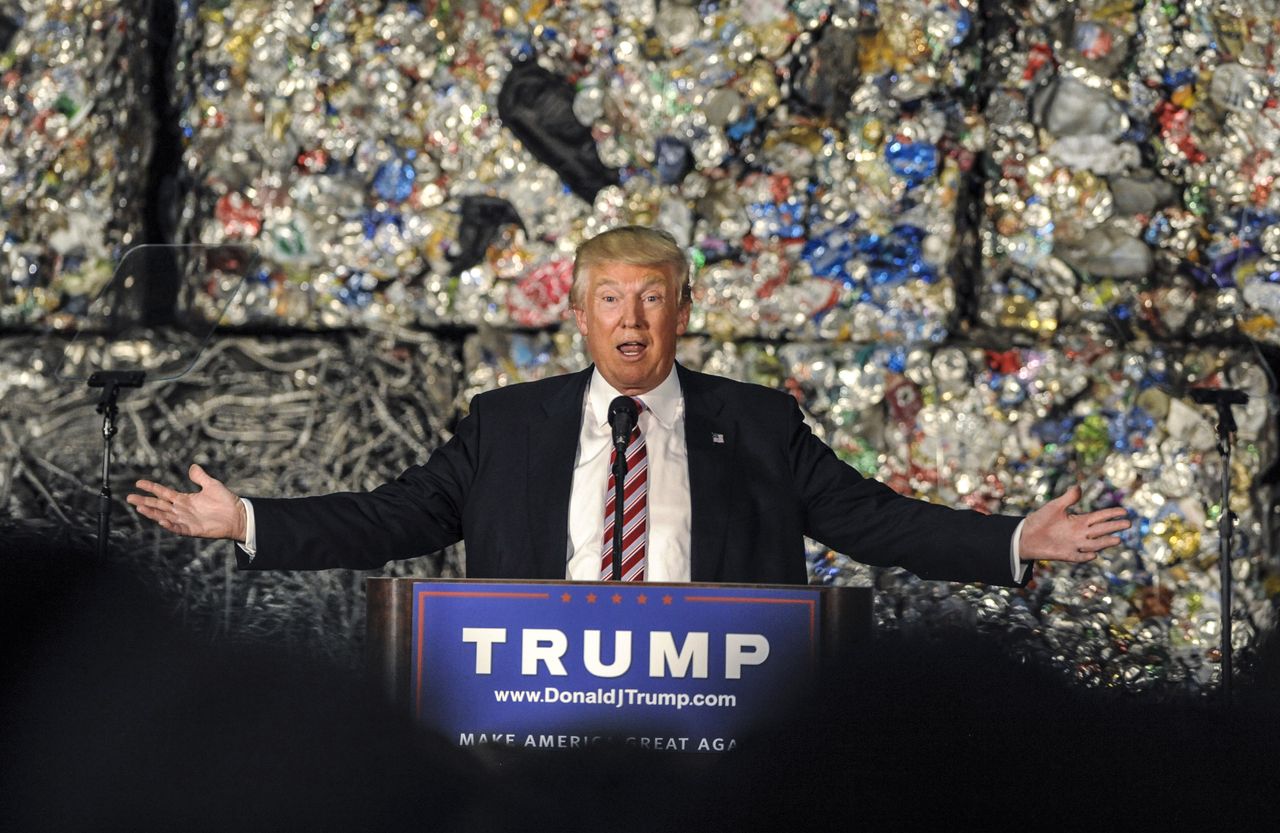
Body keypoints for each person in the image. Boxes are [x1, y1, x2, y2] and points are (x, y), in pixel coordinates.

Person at [128, 225, 1129, 585]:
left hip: (712, 718)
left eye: (652, 297)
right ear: (574, 311)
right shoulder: (506, 423)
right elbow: (395, 514)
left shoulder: (760, 422)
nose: (633, 320)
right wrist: (245, 517)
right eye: (611, 299)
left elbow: (869, 519)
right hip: (534, 718)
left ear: (684, 308)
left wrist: (1011, 541)